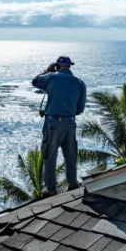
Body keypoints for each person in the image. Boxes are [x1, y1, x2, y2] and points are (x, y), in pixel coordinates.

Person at [31, 56, 87, 197]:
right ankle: (73, 183)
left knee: (50, 154)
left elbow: (35, 81)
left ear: (57, 66)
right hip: (70, 122)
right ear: (70, 66)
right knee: (70, 154)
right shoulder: (80, 83)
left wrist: (47, 70)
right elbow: (80, 109)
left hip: (53, 122)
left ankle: (51, 188)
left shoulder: (51, 77)